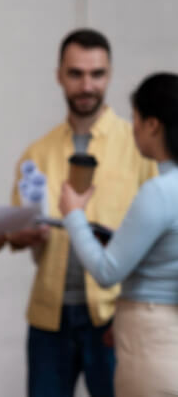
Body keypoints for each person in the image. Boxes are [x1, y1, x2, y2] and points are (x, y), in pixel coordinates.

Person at [0, 28, 158, 397]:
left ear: (109, 75)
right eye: (76, 73)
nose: (87, 85)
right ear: (59, 75)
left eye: (97, 74)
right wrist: (18, 235)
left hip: (113, 315)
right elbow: (17, 228)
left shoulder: (140, 146)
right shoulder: (37, 153)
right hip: (49, 316)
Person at [59, 72, 178, 396]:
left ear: (153, 125)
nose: (134, 128)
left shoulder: (160, 191)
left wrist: (73, 215)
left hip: (152, 339)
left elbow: (107, 271)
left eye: (136, 118)